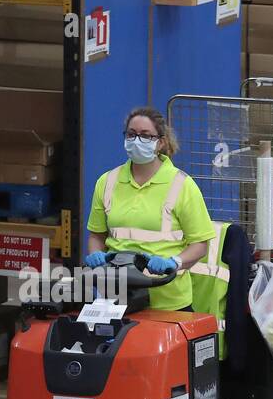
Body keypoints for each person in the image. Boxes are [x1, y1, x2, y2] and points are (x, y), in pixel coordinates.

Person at [84, 106, 216, 311]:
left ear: (160, 142)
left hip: (168, 300)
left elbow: (200, 244)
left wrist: (174, 261)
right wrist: (96, 257)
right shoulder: (107, 181)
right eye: (131, 134)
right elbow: (96, 235)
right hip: (117, 296)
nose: (136, 141)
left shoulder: (182, 184)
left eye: (145, 136)